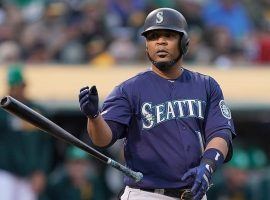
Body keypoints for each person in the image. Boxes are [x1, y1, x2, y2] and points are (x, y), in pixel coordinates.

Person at [78, 8, 236, 200]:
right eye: (153, 37)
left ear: (185, 42)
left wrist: (208, 165)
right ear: (146, 45)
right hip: (146, 194)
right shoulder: (128, 89)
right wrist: (94, 117)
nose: (160, 42)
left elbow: (221, 132)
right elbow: (102, 139)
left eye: (168, 35)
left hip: (193, 193)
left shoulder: (206, 85)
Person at [0, 65, 53, 200]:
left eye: (20, 85)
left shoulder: (36, 111)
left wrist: (41, 171)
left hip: (30, 175)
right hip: (6, 172)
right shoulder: (2, 112)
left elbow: (46, 144)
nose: (18, 89)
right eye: (15, 86)